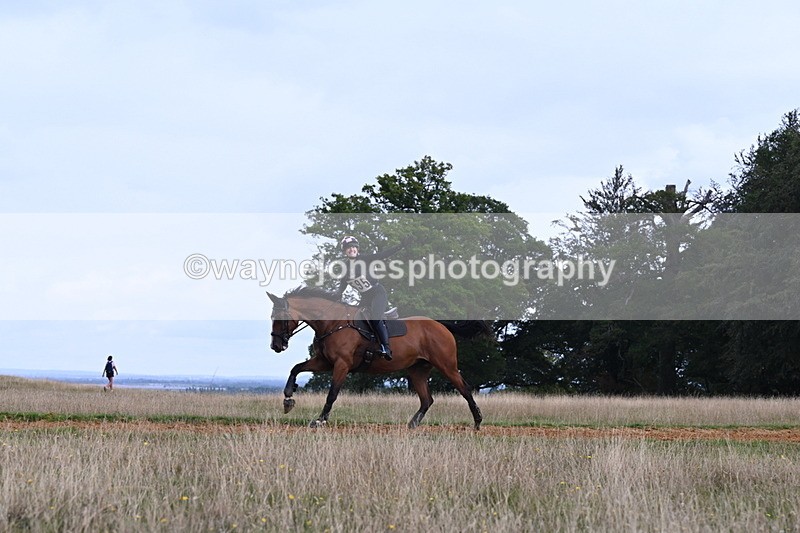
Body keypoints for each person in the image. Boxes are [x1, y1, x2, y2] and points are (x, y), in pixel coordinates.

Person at [336, 236, 406, 361]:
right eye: (348, 248)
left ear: (357, 249)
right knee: (356, 320)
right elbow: (341, 288)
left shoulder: (365, 259)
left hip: (377, 293)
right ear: (345, 251)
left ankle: (386, 347)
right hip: (365, 297)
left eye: (353, 247)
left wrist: (400, 246)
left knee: (375, 318)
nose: (351, 249)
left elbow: (382, 255)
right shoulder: (345, 268)